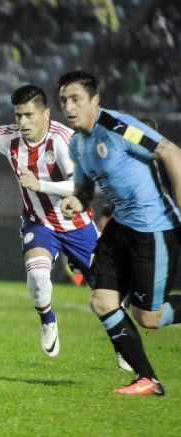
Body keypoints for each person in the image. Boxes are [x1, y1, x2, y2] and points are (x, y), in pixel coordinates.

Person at [59, 70, 181, 396]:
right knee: (102, 301)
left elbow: (171, 152)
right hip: (121, 226)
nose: (69, 107)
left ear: (95, 101)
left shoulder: (117, 127)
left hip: (153, 228)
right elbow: (84, 189)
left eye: (76, 99)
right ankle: (146, 378)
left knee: (149, 317)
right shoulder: (78, 143)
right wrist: (75, 199)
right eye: (64, 101)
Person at [0, 84, 97, 359]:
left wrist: (40, 185)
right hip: (39, 222)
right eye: (18, 115)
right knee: (38, 276)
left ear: (46, 114)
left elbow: (82, 186)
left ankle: (123, 345)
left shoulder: (63, 140)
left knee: (109, 296)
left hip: (76, 225)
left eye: (29, 115)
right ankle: (48, 320)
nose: (23, 122)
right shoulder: (8, 138)